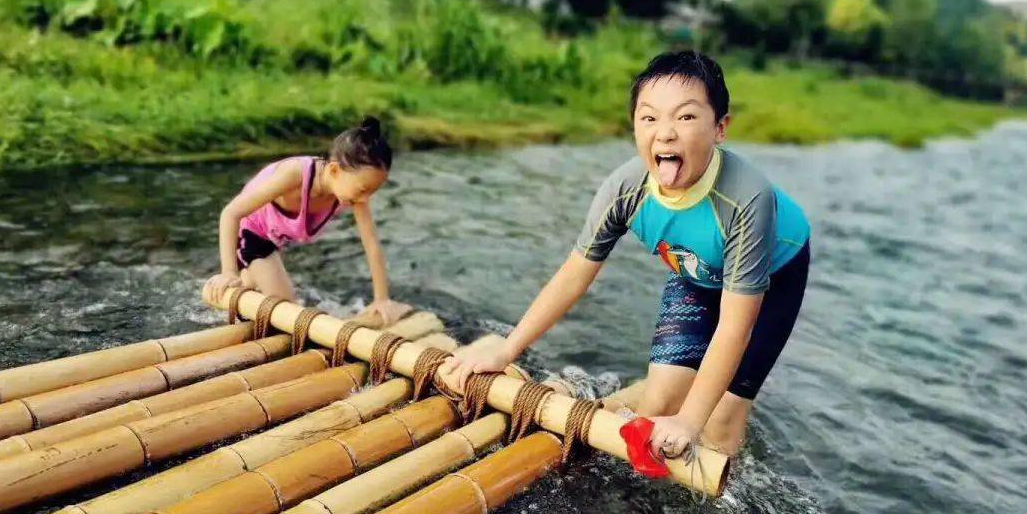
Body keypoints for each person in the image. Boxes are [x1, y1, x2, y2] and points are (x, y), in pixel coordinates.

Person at [444, 52, 810, 461]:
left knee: (719, 421)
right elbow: (574, 275)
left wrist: (690, 422)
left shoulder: (746, 199)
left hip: (773, 278)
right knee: (658, 404)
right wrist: (508, 349)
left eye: (686, 117)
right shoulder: (625, 190)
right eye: (649, 118)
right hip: (698, 273)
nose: (665, 134)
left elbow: (734, 328)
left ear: (720, 128)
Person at [204, 116, 411, 324]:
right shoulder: (295, 174)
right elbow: (230, 213)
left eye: (372, 192)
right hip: (249, 233)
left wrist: (381, 299)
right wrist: (227, 272)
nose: (365, 199)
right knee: (286, 311)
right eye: (363, 190)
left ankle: (248, 280)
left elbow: (371, 244)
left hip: (272, 239)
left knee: (266, 295)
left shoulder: (353, 192)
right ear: (334, 170)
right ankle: (240, 278)